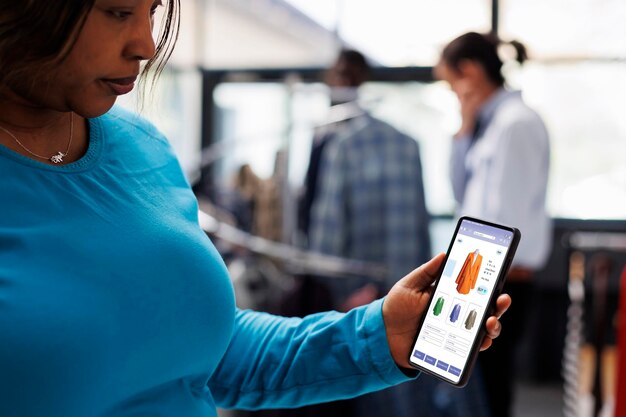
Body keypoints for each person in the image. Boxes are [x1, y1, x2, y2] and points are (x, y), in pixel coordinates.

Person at [0, 3, 511, 416]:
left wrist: (378, 335)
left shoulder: (142, 147)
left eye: (152, 12)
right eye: (116, 12)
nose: (146, 45)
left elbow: (209, 352)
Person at [435, 31, 552, 417]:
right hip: (485, 275)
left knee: (492, 388)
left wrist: (471, 284)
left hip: (501, 278)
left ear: (469, 72)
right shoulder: (492, 124)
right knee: (477, 386)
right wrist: (464, 127)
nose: (454, 93)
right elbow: (460, 193)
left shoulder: (516, 124)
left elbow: (507, 216)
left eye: (452, 84)